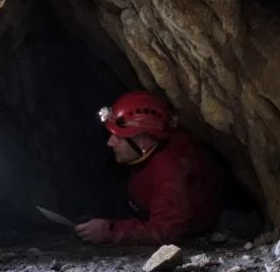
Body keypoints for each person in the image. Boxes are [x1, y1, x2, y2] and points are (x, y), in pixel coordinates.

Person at [75, 90, 223, 245]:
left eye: (119, 137)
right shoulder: (148, 152)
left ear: (145, 141)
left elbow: (167, 231)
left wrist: (110, 230)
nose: (110, 142)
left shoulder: (169, 171)